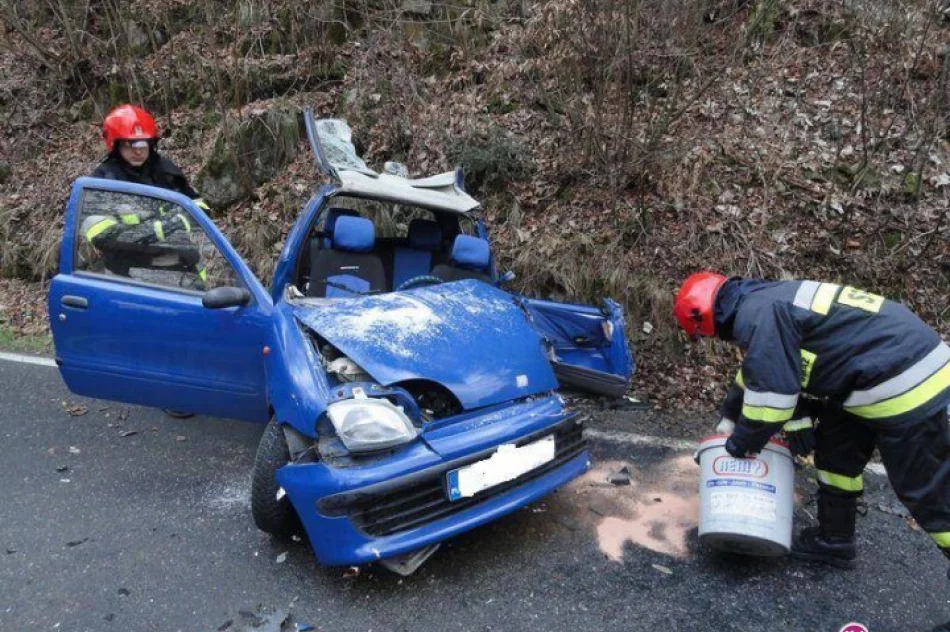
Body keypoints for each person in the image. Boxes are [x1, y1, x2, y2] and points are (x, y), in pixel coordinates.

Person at [674, 272, 950, 632]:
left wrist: (738, 444)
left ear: (703, 318)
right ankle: (835, 541)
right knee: (837, 455)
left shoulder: (758, 315)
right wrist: (729, 412)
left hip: (904, 379)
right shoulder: (763, 301)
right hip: (874, 371)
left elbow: (771, 406)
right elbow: (758, 369)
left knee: (931, 498)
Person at [84, 104, 208, 285]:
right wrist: (158, 229)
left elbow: (200, 207)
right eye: (130, 144)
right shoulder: (103, 181)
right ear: (116, 144)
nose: (138, 150)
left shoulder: (166, 171)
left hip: (180, 269)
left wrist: (184, 220)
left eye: (143, 144)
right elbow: (99, 233)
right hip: (129, 277)